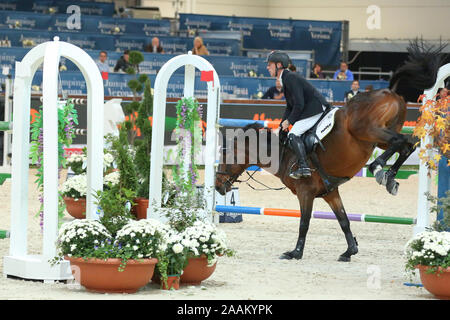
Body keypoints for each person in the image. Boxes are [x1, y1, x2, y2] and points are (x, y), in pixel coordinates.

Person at [266, 50, 330, 179]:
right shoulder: (285, 79)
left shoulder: (290, 78)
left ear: (279, 65)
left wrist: (289, 121)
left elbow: (299, 104)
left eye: (270, 64)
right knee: (285, 133)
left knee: (293, 134)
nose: (267, 67)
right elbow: (290, 106)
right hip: (309, 109)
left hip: (315, 108)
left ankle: (304, 167)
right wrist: (281, 125)